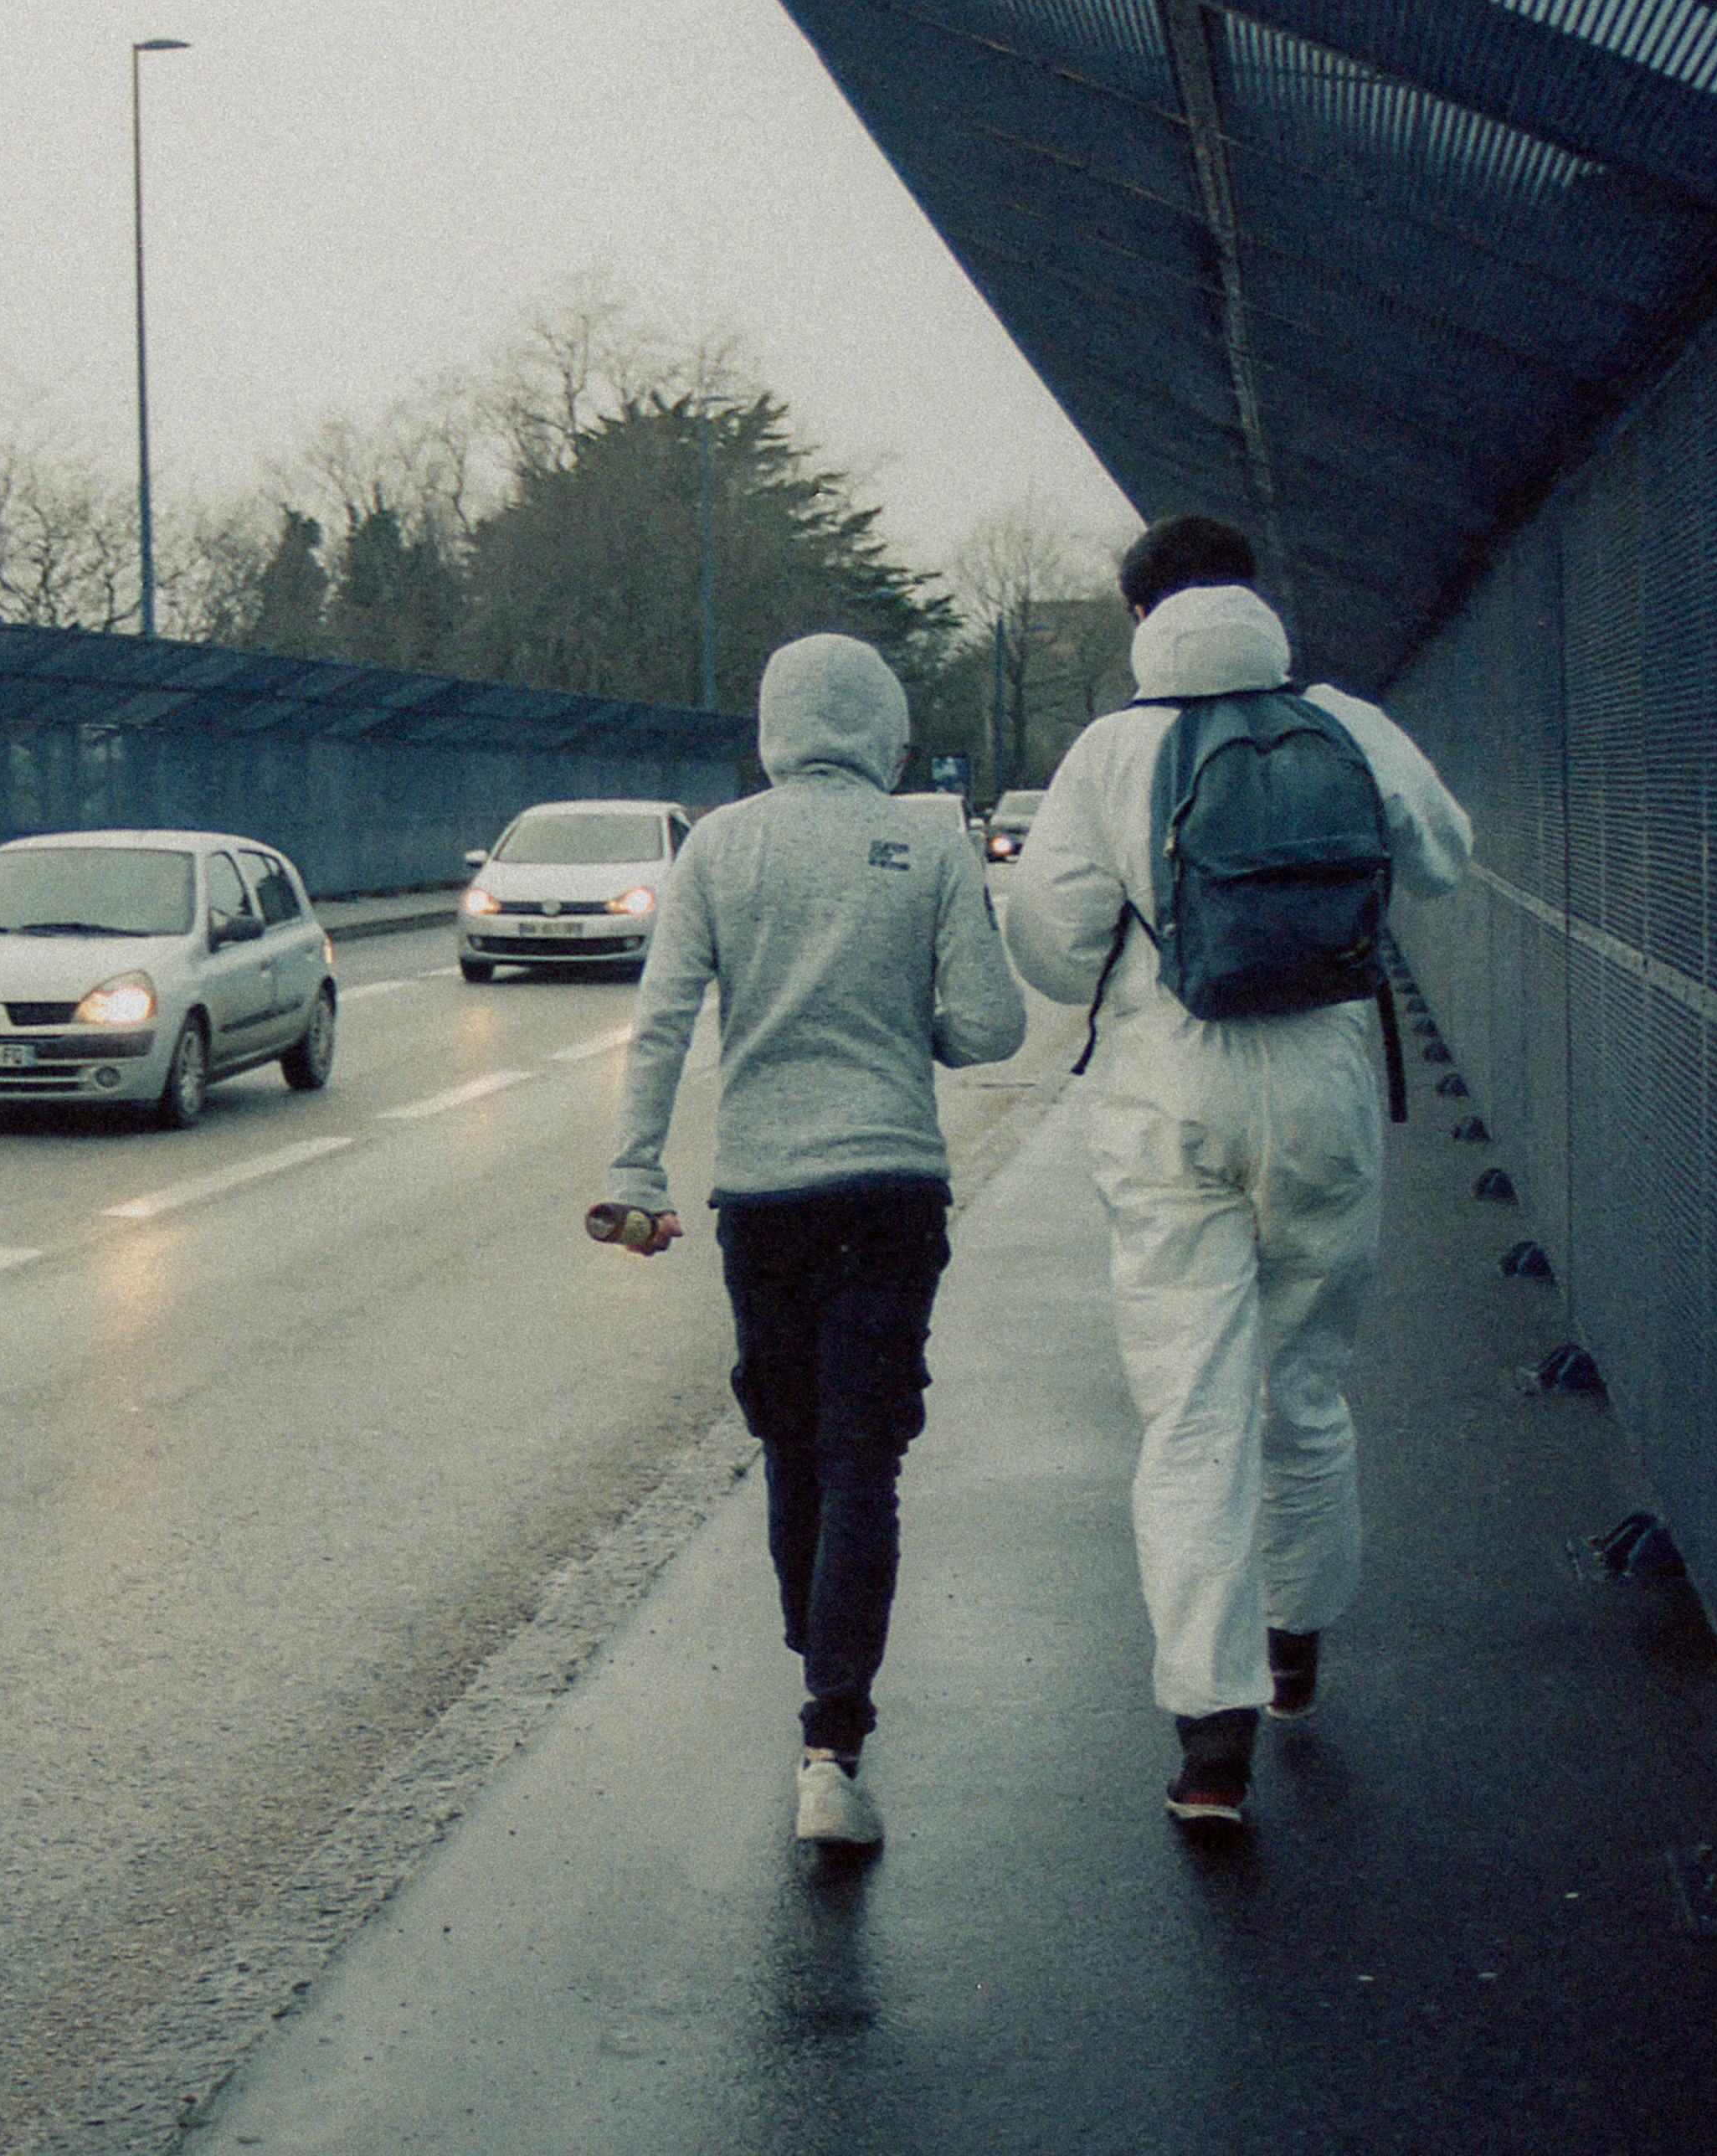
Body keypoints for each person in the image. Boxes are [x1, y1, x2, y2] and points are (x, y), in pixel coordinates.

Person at [1003, 516, 1472, 1829]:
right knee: (1306, 1388)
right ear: (1256, 598)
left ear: (1140, 616)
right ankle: (1299, 1649)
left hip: (1169, 1104)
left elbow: (1049, 945)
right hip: (1324, 1091)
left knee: (1191, 1415)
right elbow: (1444, 858)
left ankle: (1210, 1742)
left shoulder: (1111, 750)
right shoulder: (1348, 723)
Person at [598, 631, 1031, 1852]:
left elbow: (663, 1024)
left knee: (793, 1441)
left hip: (766, 1196)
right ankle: (832, 1741)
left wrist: (635, 1170)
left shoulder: (722, 845)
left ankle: (816, 1631)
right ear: (886, 728)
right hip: (893, 1187)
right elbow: (995, 1026)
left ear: (773, 728)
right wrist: (918, 1038)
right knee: (866, 1460)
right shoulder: (932, 842)